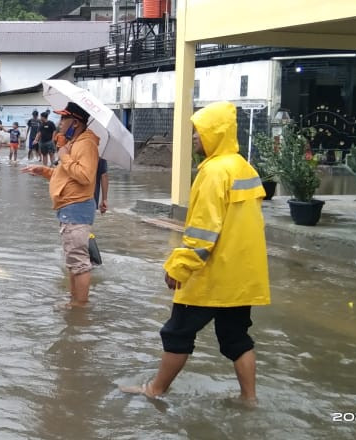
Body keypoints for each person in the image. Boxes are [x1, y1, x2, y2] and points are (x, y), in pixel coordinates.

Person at [121, 101, 270, 404]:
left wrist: (179, 267)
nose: (193, 138)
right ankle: (249, 400)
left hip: (211, 275)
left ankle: (155, 390)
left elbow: (203, 232)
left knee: (177, 333)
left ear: (214, 134)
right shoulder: (243, 166)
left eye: (198, 133)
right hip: (240, 277)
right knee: (236, 338)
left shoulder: (214, 172)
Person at [22, 102, 100, 307]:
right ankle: (73, 300)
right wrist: (45, 171)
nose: (60, 122)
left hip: (77, 207)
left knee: (79, 262)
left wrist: (64, 157)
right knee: (73, 260)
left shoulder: (85, 144)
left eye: (64, 119)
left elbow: (84, 176)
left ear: (75, 122)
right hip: (69, 207)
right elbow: (66, 176)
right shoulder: (74, 143)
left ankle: (80, 306)